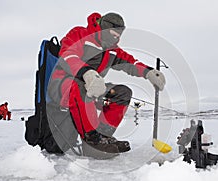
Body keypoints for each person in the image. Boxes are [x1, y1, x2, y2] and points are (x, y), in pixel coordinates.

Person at [49, 12, 166, 154]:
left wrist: (149, 72)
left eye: (119, 36)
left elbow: (130, 62)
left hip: (93, 87)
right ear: (104, 28)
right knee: (80, 87)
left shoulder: (112, 49)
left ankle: (103, 136)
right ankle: (91, 142)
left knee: (122, 93)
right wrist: (87, 73)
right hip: (62, 85)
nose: (116, 38)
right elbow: (68, 55)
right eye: (114, 33)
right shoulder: (80, 34)